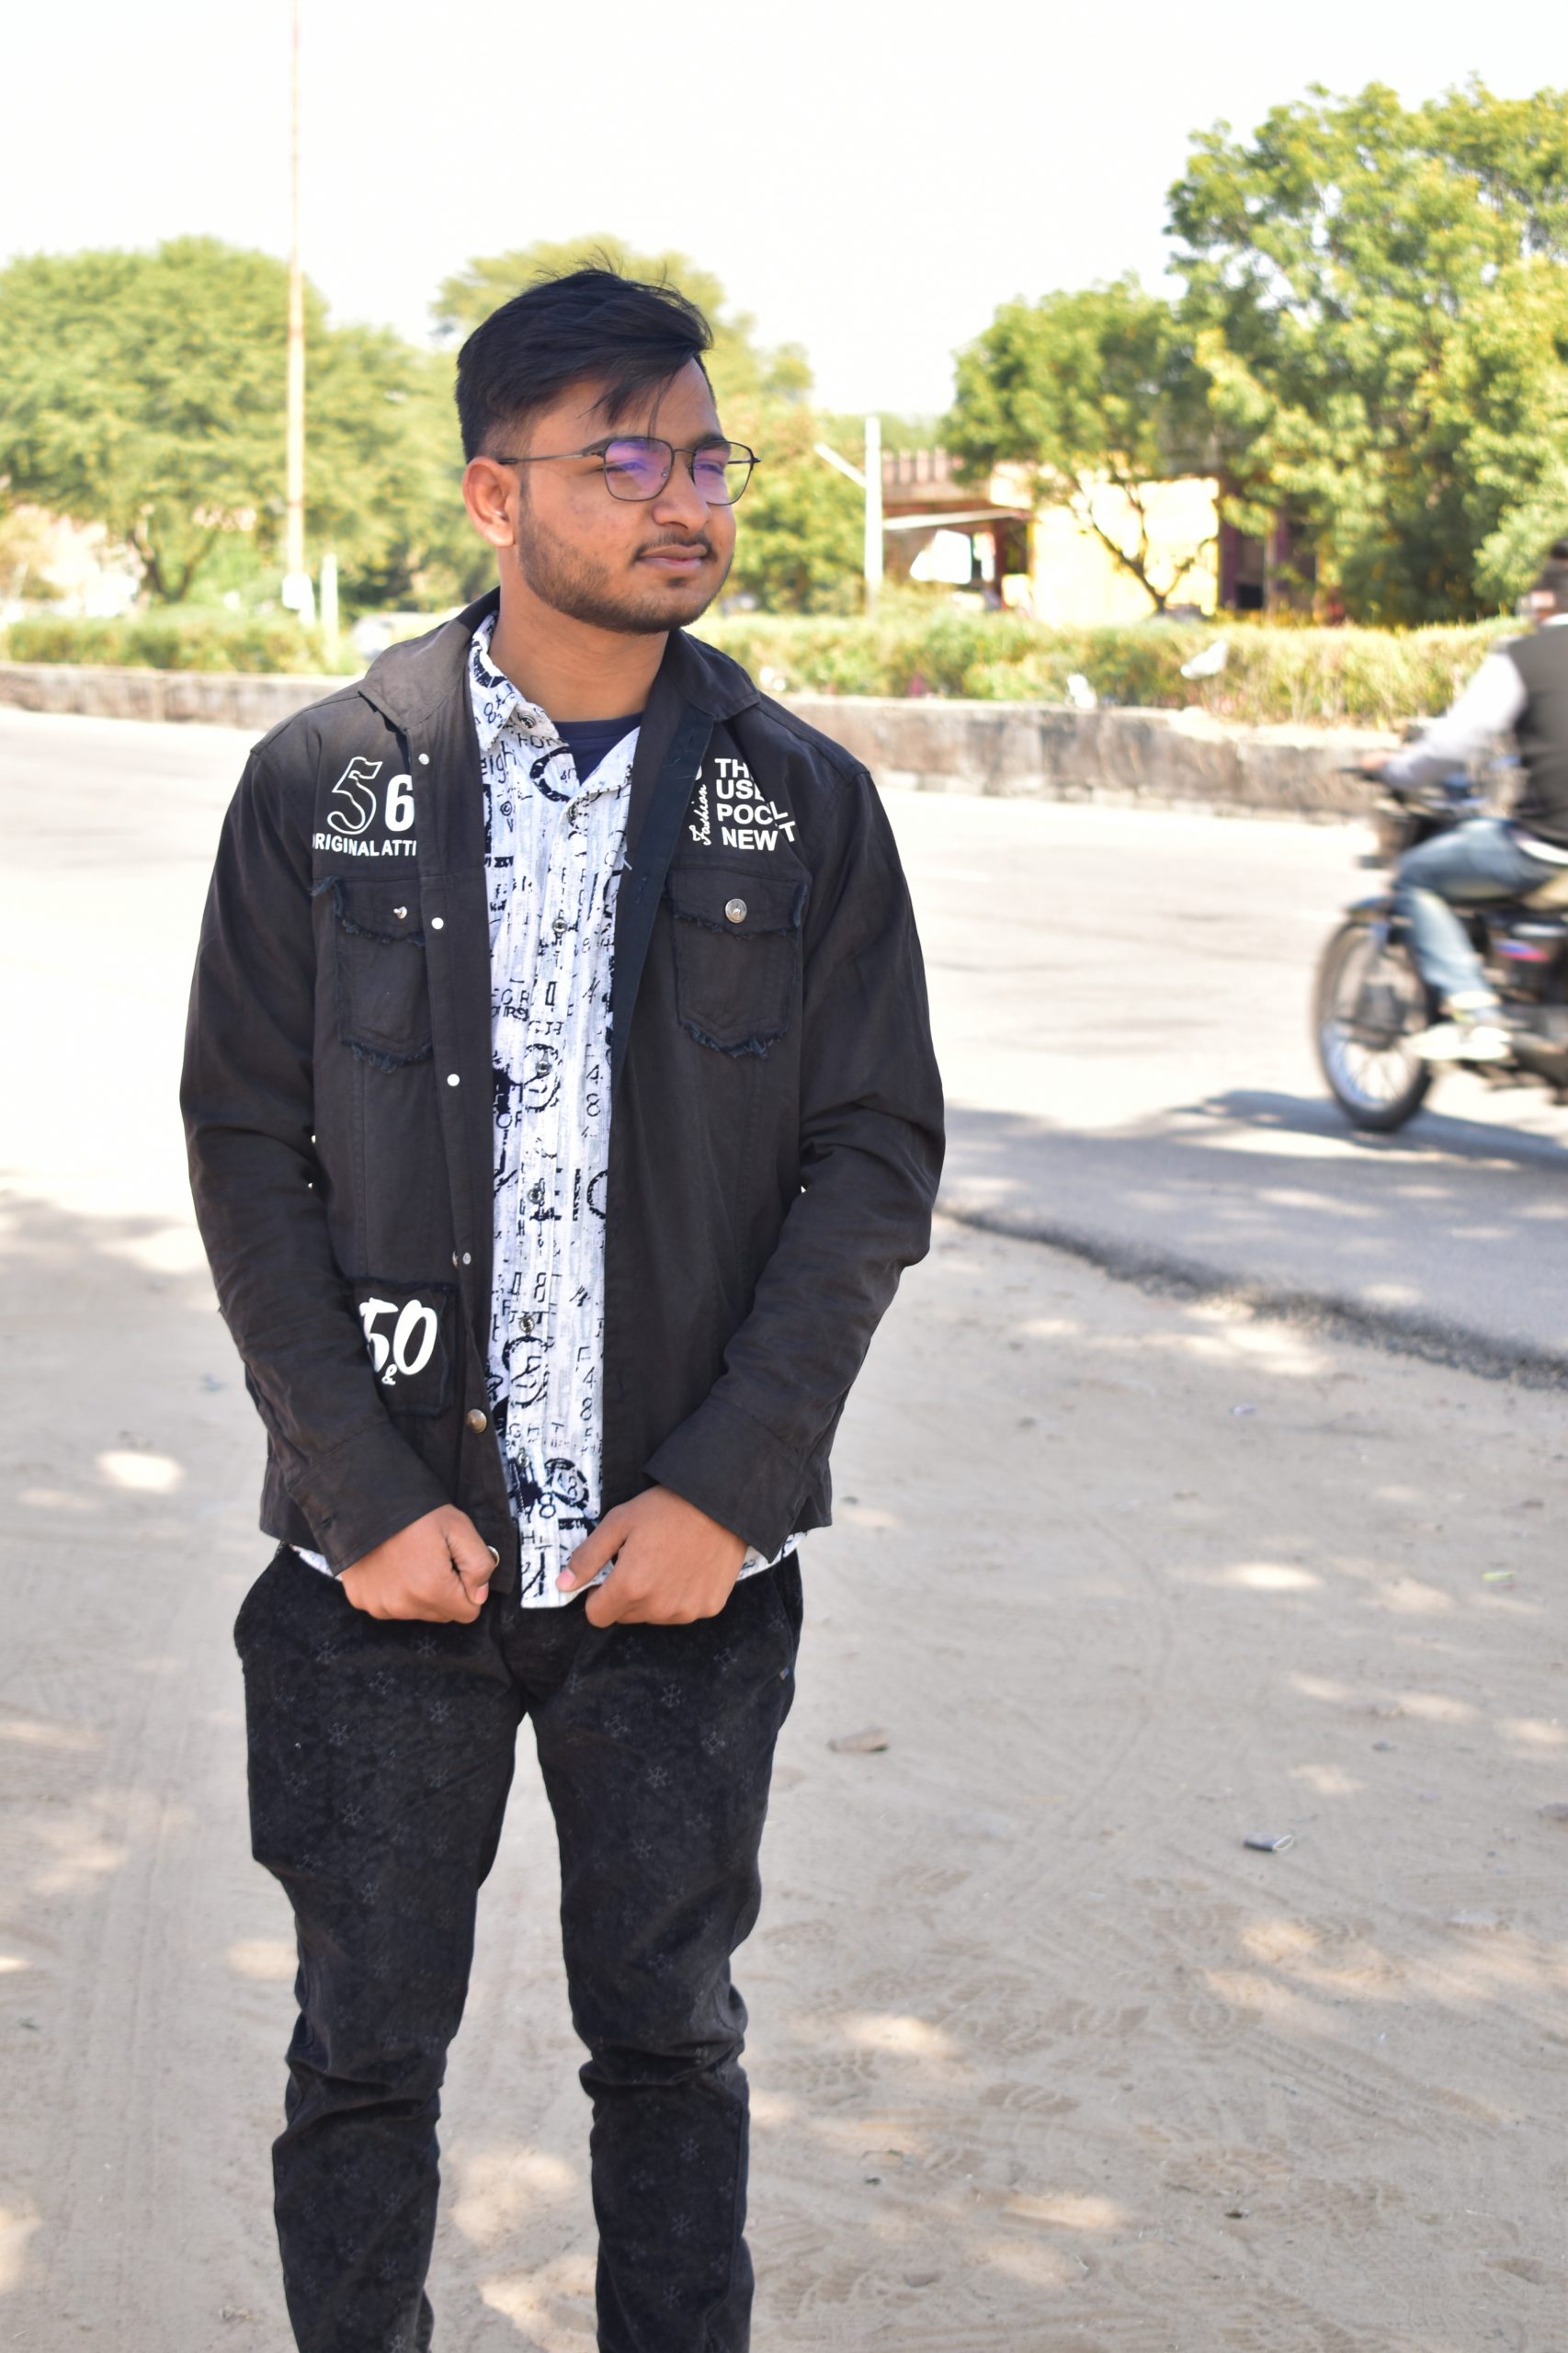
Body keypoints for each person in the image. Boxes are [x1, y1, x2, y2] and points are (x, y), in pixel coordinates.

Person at [182, 267, 944, 2353]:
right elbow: (244, 1143)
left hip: (672, 1578)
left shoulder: (792, 803)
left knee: (672, 2044)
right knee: (359, 2055)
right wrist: (352, 1492)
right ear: (489, 497)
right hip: (379, 1572)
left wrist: (724, 1486)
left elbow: (870, 1156)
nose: (683, 497)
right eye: (626, 457)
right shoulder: (325, 785)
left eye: (704, 455)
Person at [1372, 550, 1568, 1062]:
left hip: (1548, 846)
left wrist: (1394, 768)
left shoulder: (1526, 657)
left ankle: (1476, 1013)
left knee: (1418, 874)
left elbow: (1452, 745)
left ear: (1543, 601)